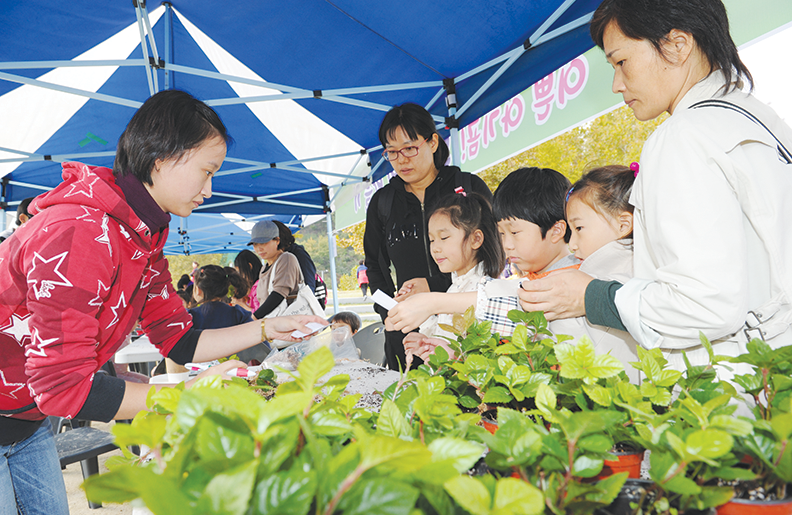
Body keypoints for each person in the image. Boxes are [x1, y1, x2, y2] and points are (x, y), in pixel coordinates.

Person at [0, 89, 325, 515]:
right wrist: (182, 395)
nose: (210, 190)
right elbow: (64, 386)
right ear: (162, 158)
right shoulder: (80, 231)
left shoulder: (144, 234)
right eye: (206, 171)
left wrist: (265, 328)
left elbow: (180, 339)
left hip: (26, 423)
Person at [520, 0, 792, 375]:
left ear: (678, 45)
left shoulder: (682, 136)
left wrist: (588, 295)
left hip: (730, 390)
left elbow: (705, 304)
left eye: (621, 62)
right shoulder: (762, 121)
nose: (617, 84)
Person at [363, 102, 492, 371]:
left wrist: (431, 285)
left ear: (433, 142)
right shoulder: (383, 202)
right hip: (406, 331)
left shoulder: (466, 188)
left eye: (409, 148)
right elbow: (375, 266)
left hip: (465, 325)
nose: (402, 160)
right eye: (392, 152)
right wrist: (390, 312)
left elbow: (492, 253)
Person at [385, 167, 577, 339]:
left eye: (515, 232)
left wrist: (431, 303)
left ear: (557, 231)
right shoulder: (532, 279)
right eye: (501, 233)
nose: (507, 244)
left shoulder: (573, 279)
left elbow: (509, 302)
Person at [549, 165, 641, 382]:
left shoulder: (614, 280)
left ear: (623, 224)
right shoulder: (629, 272)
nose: (572, 244)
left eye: (579, 228)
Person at [400, 190, 505, 361]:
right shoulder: (455, 286)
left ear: (475, 239)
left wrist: (454, 355)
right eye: (432, 240)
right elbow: (444, 335)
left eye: (444, 237)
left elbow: (482, 355)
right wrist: (425, 342)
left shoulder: (482, 289)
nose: (435, 248)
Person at [190, 265, 268, 364]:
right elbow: (263, 348)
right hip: (237, 373)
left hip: (201, 376)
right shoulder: (238, 313)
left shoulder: (190, 317)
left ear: (197, 290)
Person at [249, 220, 303, 320]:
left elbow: (278, 294)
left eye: (264, 242)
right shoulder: (264, 268)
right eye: (255, 244)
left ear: (277, 241)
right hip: (272, 324)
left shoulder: (286, 259)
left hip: (288, 324)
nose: (259, 248)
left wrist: (254, 318)